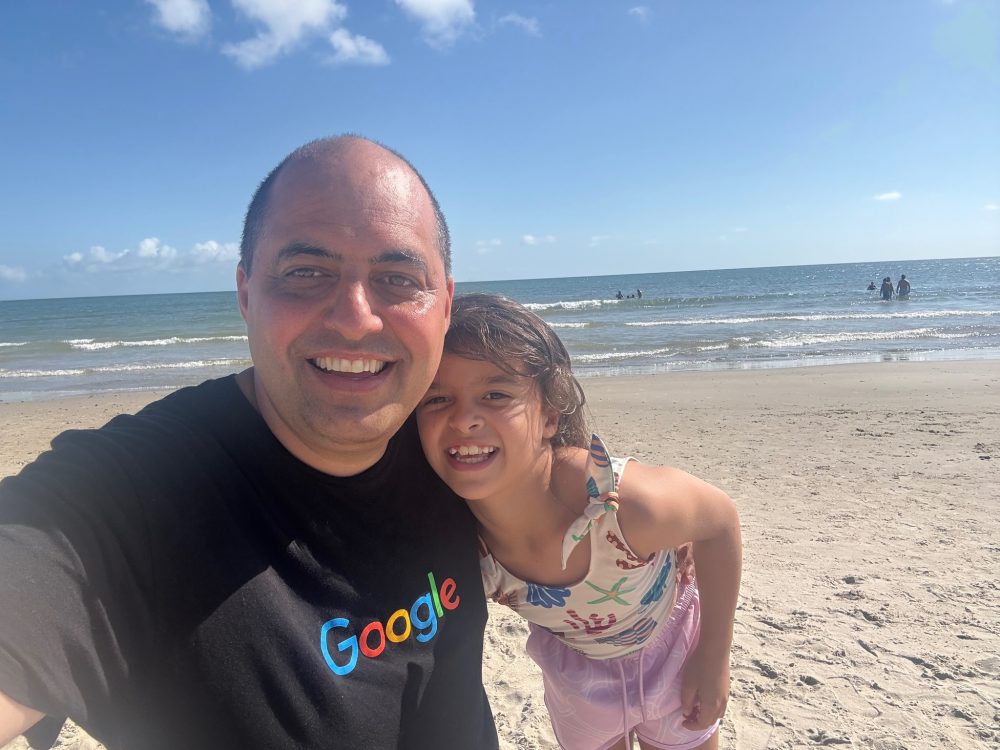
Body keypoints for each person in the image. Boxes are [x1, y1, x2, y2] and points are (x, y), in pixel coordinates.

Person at [0, 137, 499, 749]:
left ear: (444, 304)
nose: (355, 318)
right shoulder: (129, 494)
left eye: (398, 278)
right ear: (244, 294)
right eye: (306, 272)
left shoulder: (452, 440)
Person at [416, 293, 742, 750]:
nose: (464, 419)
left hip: (672, 651)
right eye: (437, 398)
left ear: (550, 416)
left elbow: (719, 521)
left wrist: (714, 656)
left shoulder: (620, 506)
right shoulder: (456, 546)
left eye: (495, 395)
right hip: (578, 679)